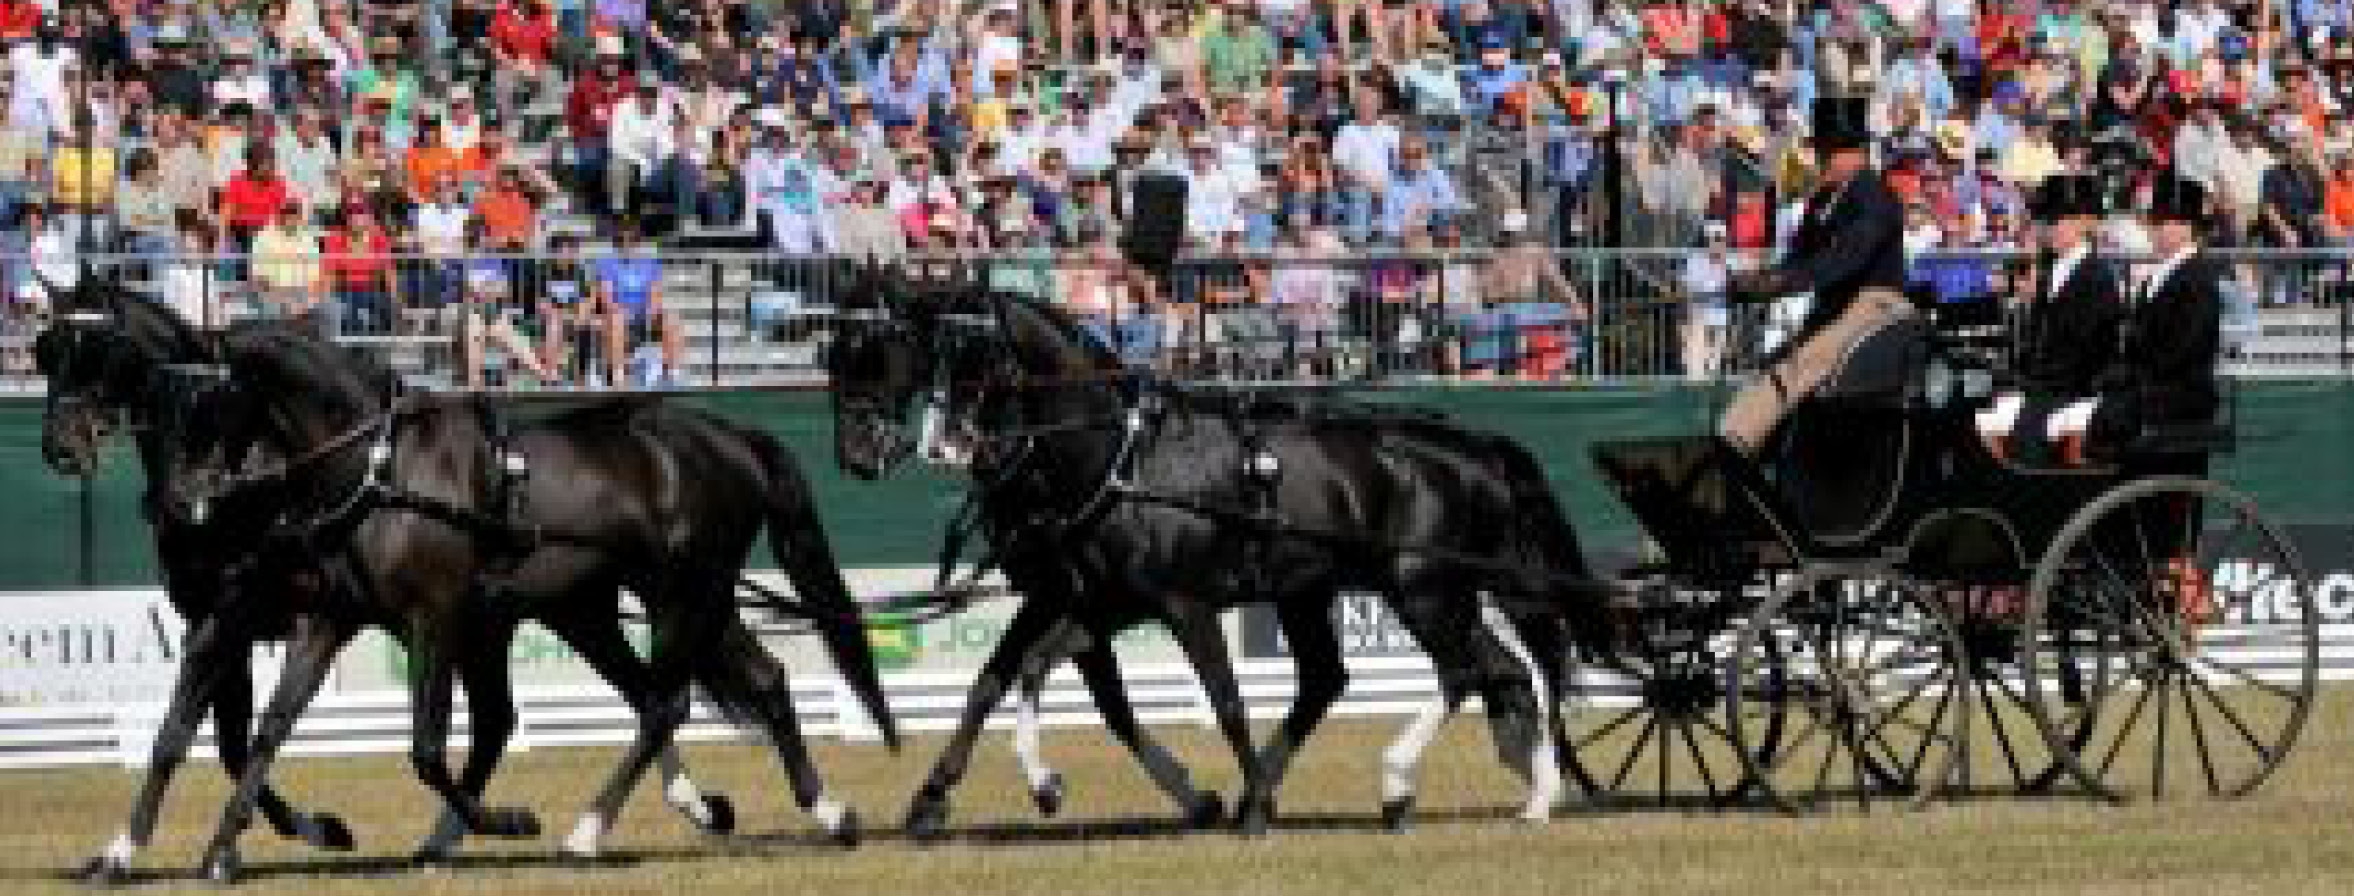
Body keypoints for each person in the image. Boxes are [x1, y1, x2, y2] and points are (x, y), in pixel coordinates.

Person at [1721, 96, 1911, 455]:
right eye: (1821, 151)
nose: (1821, 160)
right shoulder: (1822, 199)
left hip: (1875, 307)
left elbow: (1848, 257)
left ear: (1854, 152)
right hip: (1834, 308)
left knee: (1802, 366)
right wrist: (1759, 280)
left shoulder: (1875, 196)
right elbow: (1799, 257)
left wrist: (1783, 283)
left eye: (1828, 151)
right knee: (1773, 363)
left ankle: (1736, 439)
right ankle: (1772, 457)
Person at [2061, 173, 2225, 472]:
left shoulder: (2197, 280)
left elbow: (2180, 352)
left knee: (2081, 418)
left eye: (2164, 222)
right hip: (2148, 389)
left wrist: (2129, 380)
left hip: (2177, 397)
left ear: (2187, 227)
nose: (2155, 229)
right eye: (2153, 221)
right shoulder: (2158, 277)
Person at [1974, 173, 2124, 466]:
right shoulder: (2051, 271)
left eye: (2058, 221)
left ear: (2085, 222)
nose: (2050, 228)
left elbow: (2083, 352)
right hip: (2042, 385)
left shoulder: (2097, 277)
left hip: (2072, 389)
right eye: (2046, 221)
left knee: (1989, 423)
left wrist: (2030, 387)